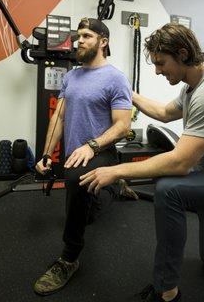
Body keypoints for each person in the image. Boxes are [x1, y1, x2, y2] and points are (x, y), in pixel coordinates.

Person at [80, 23, 204, 302]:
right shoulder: (193, 85)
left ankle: (166, 291)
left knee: (169, 187)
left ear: (182, 54)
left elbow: (180, 162)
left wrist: (117, 171)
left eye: (161, 63)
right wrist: (125, 90)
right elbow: (163, 112)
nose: (158, 70)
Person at [34, 17, 137, 296]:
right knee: (87, 209)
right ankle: (115, 185)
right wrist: (46, 154)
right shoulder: (71, 76)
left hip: (100, 150)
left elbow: (122, 126)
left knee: (77, 181)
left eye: (87, 36)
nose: (80, 40)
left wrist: (92, 146)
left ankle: (69, 258)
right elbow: (59, 117)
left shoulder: (116, 78)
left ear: (103, 42)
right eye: (78, 36)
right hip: (74, 153)